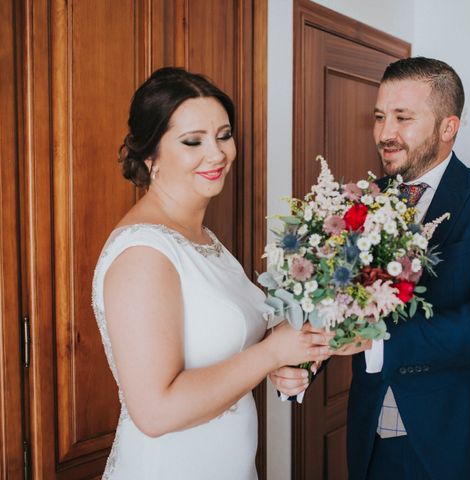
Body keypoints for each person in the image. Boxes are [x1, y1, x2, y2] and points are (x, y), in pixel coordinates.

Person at [271, 57, 470, 479]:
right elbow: (339, 303)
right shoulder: (356, 205)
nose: (384, 133)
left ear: (449, 127)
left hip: (460, 442)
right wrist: (303, 364)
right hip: (372, 444)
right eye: (379, 117)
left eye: (403, 118)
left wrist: (375, 342)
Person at [92, 67, 332, 479]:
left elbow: (231, 349)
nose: (217, 154)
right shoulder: (144, 254)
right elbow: (155, 411)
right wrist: (272, 353)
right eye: (192, 141)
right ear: (150, 155)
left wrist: (292, 353)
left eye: (223, 135)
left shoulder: (201, 236)